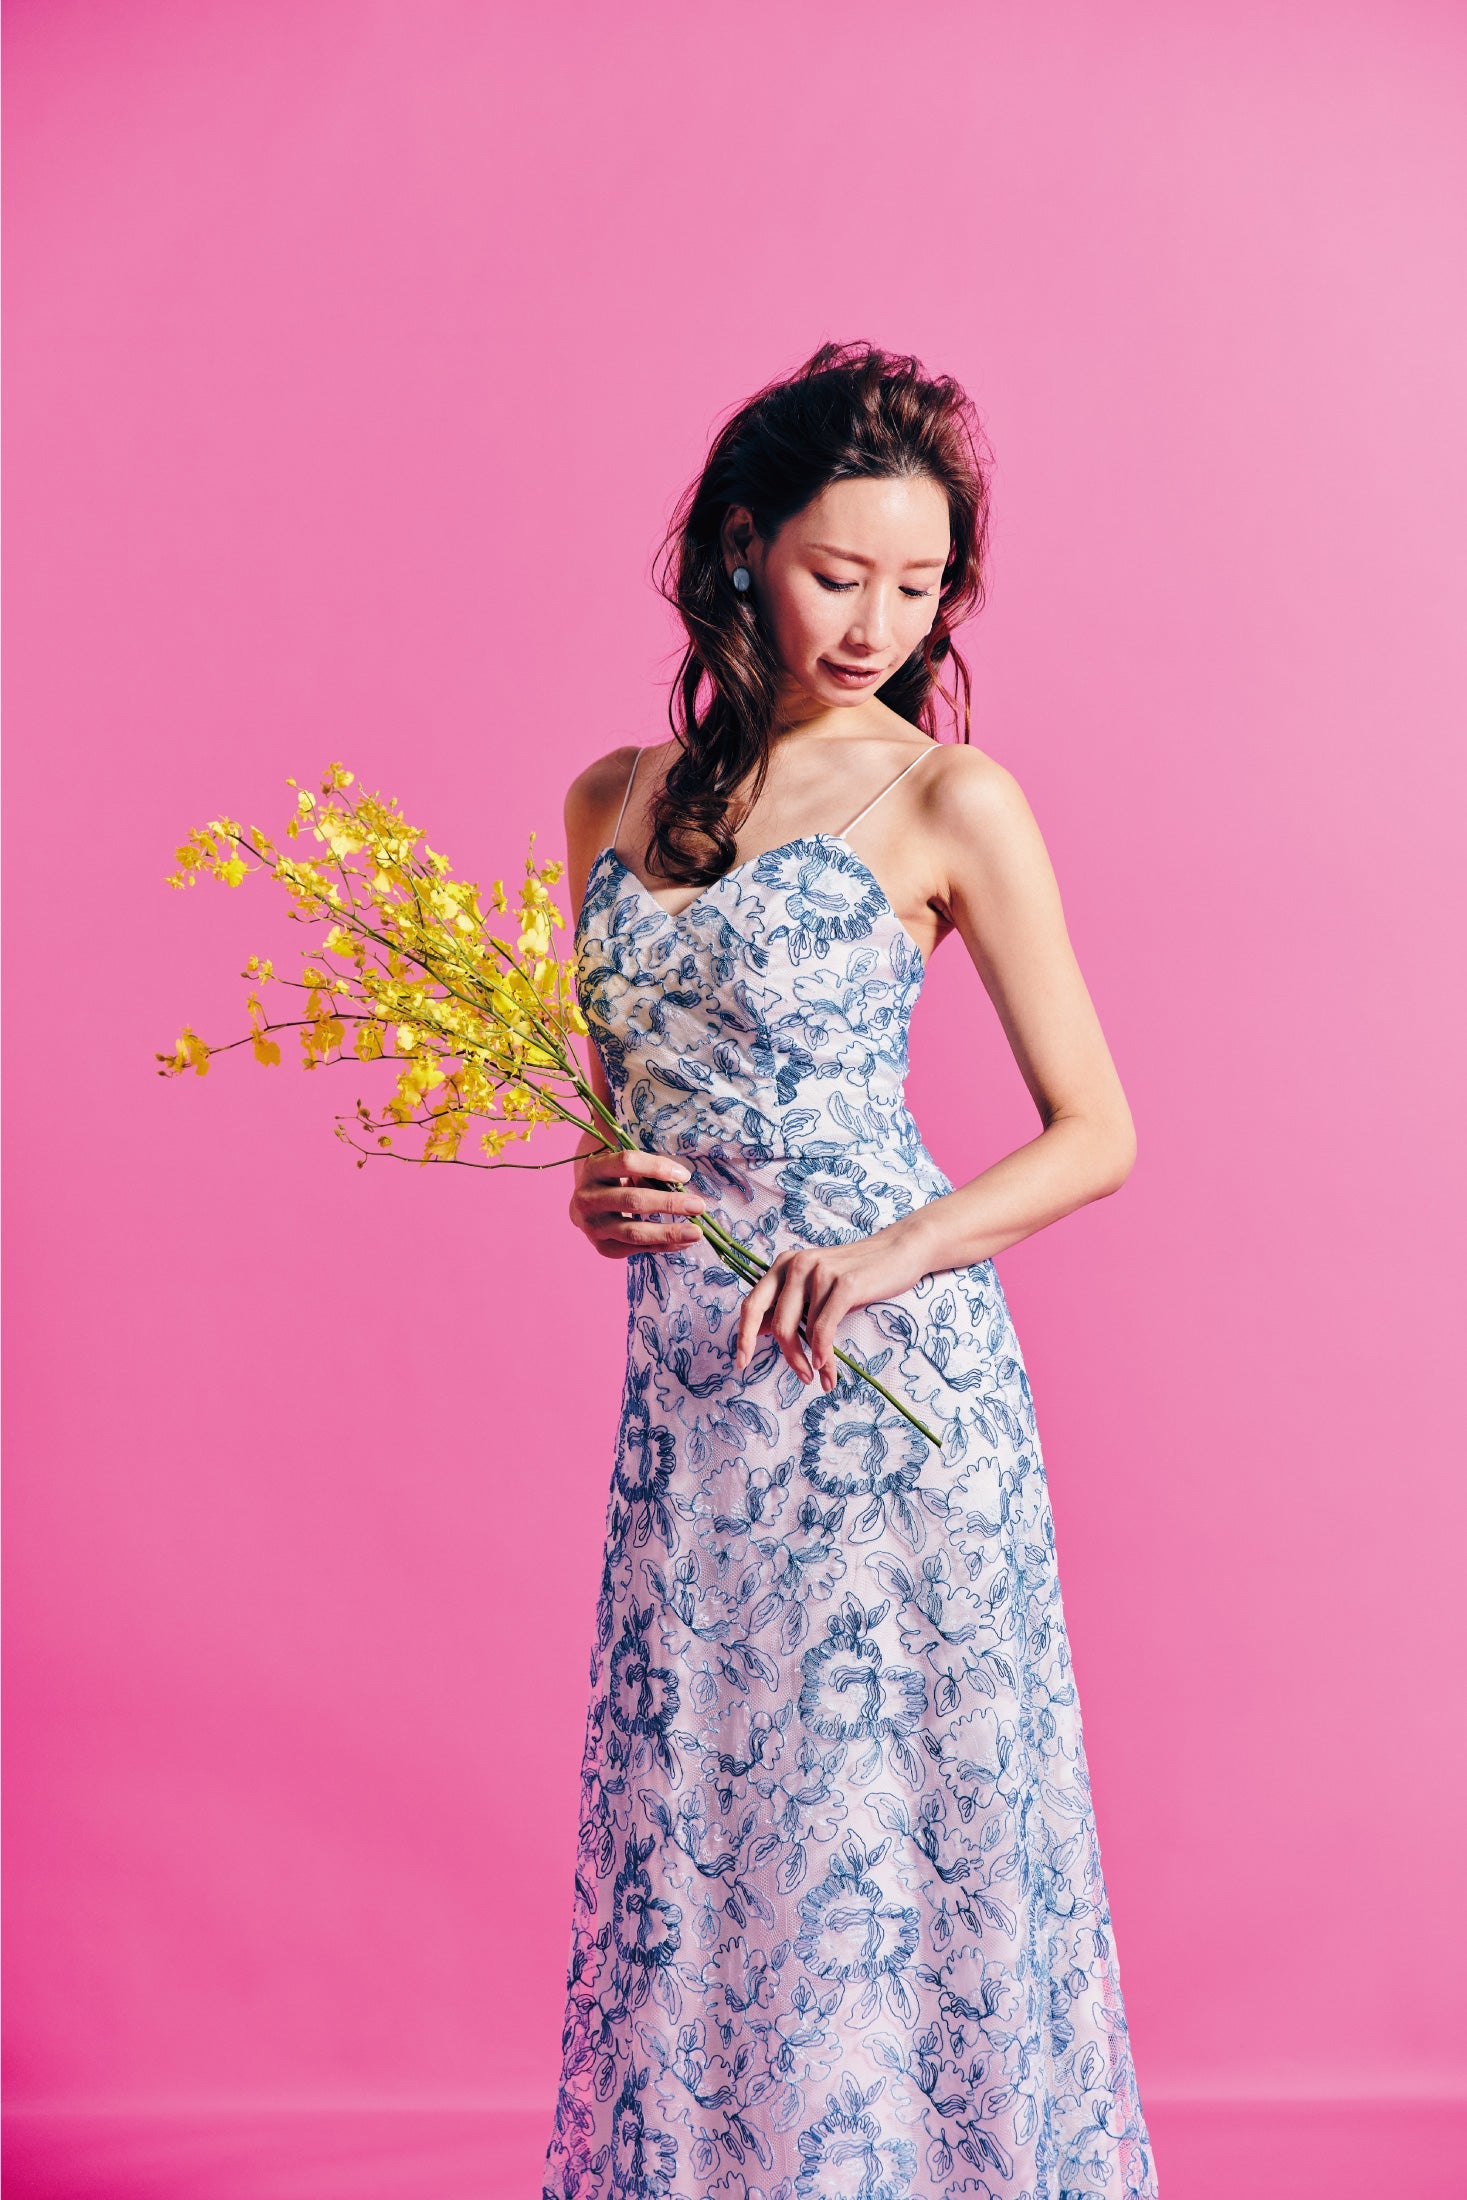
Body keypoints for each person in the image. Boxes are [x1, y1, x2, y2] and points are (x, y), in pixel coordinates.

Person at [545, 342, 1159, 2200]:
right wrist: (598, 1188)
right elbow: (616, 1116)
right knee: (716, 1825)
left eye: (919, 584)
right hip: (696, 1395)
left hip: (886, 1387)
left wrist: (890, 1258)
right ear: (742, 547)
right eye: (839, 574)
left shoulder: (952, 798)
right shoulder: (609, 801)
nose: (879, 624)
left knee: (898, 1836)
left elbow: (1095, 1130)